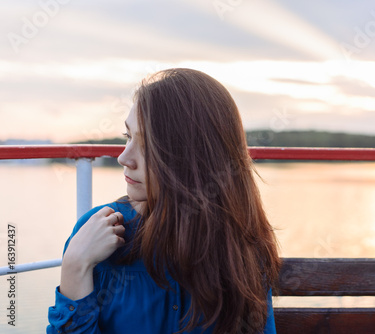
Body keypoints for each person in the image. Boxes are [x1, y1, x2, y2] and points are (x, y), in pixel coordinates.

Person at [47, 68, 282, 333]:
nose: (124, 158)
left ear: (194, 158)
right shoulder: (97, 235)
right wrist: (75, 265)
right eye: (128, 137)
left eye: (148, 145)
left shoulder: (238, 246)